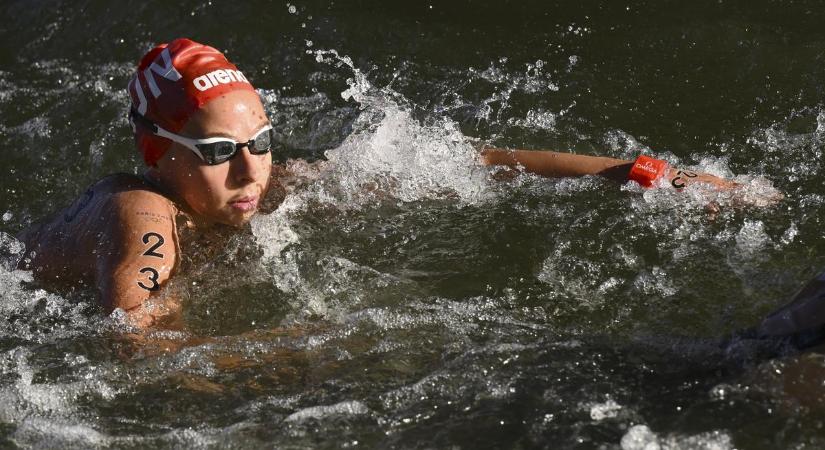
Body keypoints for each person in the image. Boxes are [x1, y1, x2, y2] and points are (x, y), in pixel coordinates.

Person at [15, 38, 752, 328]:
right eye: (217, 151)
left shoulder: (262, 189)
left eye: (261, 143)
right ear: (154, 151)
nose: (250, 172)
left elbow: (474, 164)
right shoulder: (140, 214)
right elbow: (132, 335)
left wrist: (651, 175)